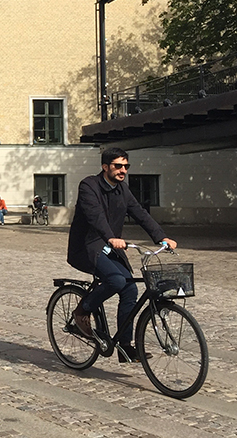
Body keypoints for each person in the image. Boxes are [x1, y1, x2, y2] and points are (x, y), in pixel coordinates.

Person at [67, 147, 177, 363]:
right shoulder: (89, 185)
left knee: (130, 289)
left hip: (109, 246)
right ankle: (82, 311)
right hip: (88, 246)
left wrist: (161, 237)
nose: (123, 170)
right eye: (118, 166)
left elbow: (140, 213)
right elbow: (95, 216)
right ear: (105, 166)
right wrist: (110, 237)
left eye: (126, 166)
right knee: (116, 280)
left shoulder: (123, 190)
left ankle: (125, 347)